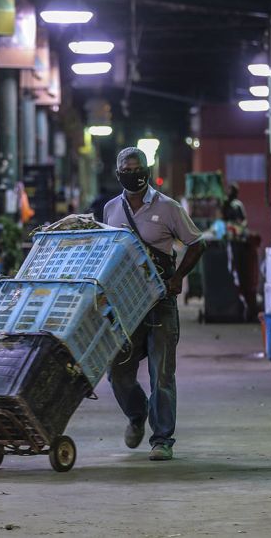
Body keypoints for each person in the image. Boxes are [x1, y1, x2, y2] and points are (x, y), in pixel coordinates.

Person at [102, 147, 206, 461]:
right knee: (117, 371)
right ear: (118, 173)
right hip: (125, 305)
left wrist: (178, 279)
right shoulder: (110, 210)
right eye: (126, 168)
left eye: (138, 168)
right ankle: (137, 415)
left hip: (160, 302)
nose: (133, 173)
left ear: (147, 171)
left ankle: (162, 439)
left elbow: (196, 243)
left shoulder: (168, 207)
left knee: (162, 374)